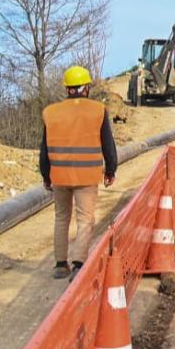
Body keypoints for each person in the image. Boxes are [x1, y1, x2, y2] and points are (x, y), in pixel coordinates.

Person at [40, 66, 118, 279]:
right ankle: (79, 265)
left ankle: (59, 264)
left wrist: (46, 176)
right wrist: (111, 170)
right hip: (86, 176)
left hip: (60, 177)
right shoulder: (98, 110)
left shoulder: (51, 112)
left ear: (67, 88)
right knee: (85, 219)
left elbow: (44, 149)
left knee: (61, 218)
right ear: (86, 88)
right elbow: (108, 144)